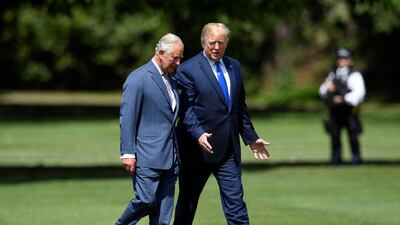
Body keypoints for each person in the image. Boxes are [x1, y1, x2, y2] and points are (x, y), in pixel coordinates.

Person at [173, 22, 270, 225]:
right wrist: (198, 133)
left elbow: (238, 107)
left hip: (228, 150)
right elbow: (187, 111)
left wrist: (251, 138)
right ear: (203, 42)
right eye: (212, 43)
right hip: (197, 150)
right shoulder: (187, 70)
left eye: (221, 42)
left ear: (227, 43)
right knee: (187, 204)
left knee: (236, 205)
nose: (217, 47)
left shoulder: (234, 66)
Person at [115, 33, 184, 225]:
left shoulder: (173, 79)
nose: (178, 63)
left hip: (171, 157)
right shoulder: (138, 78)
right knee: (145, 200)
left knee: (163, 215)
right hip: (147, 156)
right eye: (175, 57)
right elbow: (127, 118)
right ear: (161, 53)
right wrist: (127, 152)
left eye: (181, 58)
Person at [319, 47, 366, 165]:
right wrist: (328, 90)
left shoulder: (354, 75)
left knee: (353, 135)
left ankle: (356, 158)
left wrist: (343, 99)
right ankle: (336, 159)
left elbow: (359, 93)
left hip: (349, 111)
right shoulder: (332, 75)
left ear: (350, 60)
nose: (342, 61)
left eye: (345, 58)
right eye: (340, 58)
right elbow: (322, 90)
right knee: (335, 136)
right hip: (335, 111)